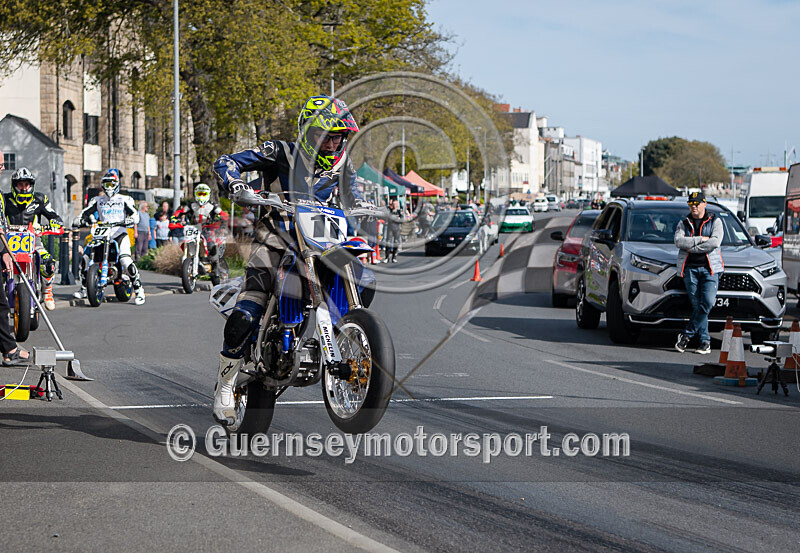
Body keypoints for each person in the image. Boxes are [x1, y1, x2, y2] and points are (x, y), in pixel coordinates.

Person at [210, 94, 369, 425]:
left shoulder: (345, 167)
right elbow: (226, 161)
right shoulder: (279, 152)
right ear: (307, 133)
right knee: (246, 312)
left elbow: (354, 201)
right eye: (323, 136)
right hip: (275, 243)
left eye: (337, 137)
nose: (330, 144)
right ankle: (225, 385)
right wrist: (235, 182)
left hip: (323, 245)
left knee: (364, 275)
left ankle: (346, 333)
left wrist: (366, 209)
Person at [72, 169, 146, 305]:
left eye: (112, 184)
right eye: (106, 184)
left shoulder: (124, 199)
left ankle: (139, 289)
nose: (109, 187)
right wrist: (78, 220)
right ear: (102, 185)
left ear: (117, 185)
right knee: (86, 258)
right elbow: (85, 212)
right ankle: (84, 288)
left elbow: (135, 214)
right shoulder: (97, 200)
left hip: (119, 234)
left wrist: (131, 220)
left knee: (125, 260)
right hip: (101, 233)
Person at [2, 168, 64, 311]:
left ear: (31, 185)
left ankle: (47, 291)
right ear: (14, 185)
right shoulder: (5, 200)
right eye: (20, 185)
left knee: (48, 263)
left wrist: (53, 224)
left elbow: (55, 217)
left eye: (26, 185)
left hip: (34, 242)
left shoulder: (40, 199)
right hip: (8, 243)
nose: (24, 188)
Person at [674, 191, 723, 355]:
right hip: (689, 269)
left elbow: (714, 243)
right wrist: (700, 239)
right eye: (691, 204)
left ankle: (686, 336)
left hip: (710, 269)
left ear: (704, 204)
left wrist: (691, 247)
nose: (694, 207)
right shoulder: (683, 222)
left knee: (707, 303)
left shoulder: (715, 221)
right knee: (697, 305)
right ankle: (705, 341)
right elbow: (678, 241)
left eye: (696, 203)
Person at [383, 198, 402, 263]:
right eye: (394, 204)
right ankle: (387, 257)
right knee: (388, 242)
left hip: (397, 228)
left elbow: (402, 219)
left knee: (396, 242)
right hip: (390, 228)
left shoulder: (399, 211)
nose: (395, 206)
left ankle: (394, 257)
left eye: (396, 204)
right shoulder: (389, 210)